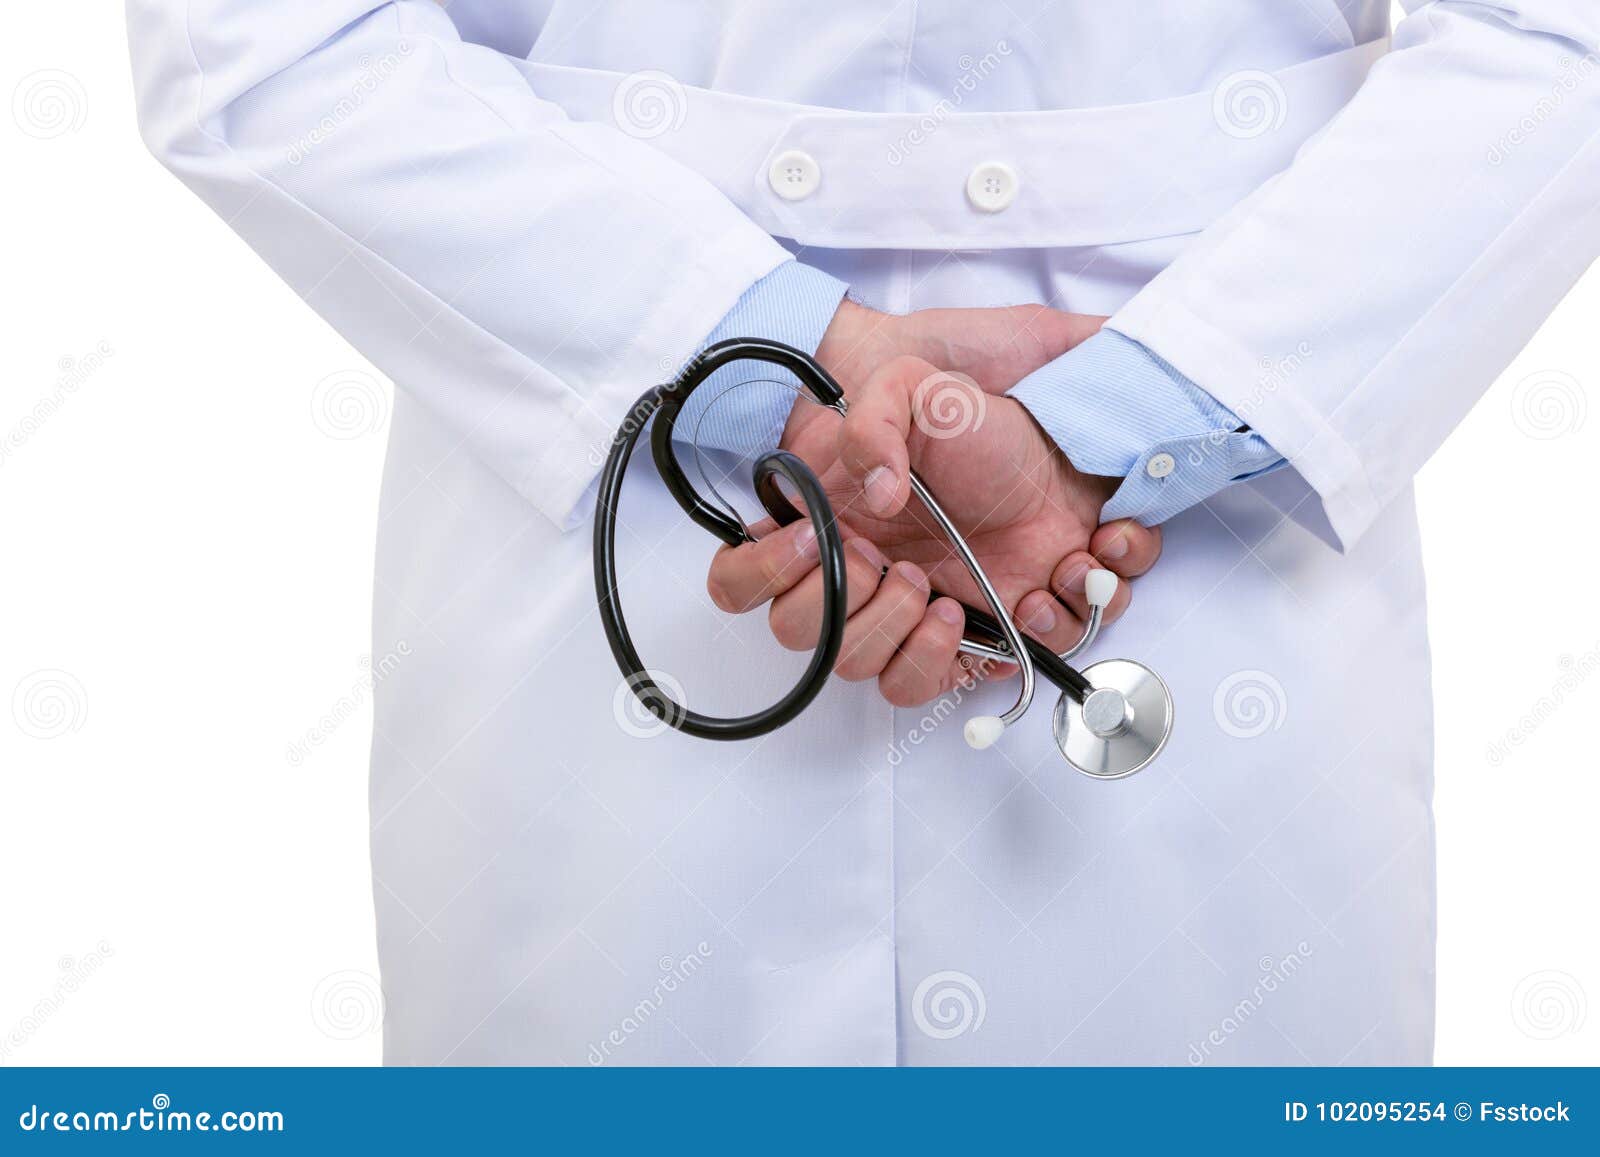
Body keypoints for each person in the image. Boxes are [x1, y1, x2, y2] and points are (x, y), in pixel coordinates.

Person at [126, 0, 1600, 1064]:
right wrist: (801, 370)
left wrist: (1113, 422)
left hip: (1199, 529)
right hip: (641, 522)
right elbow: (253, 38)